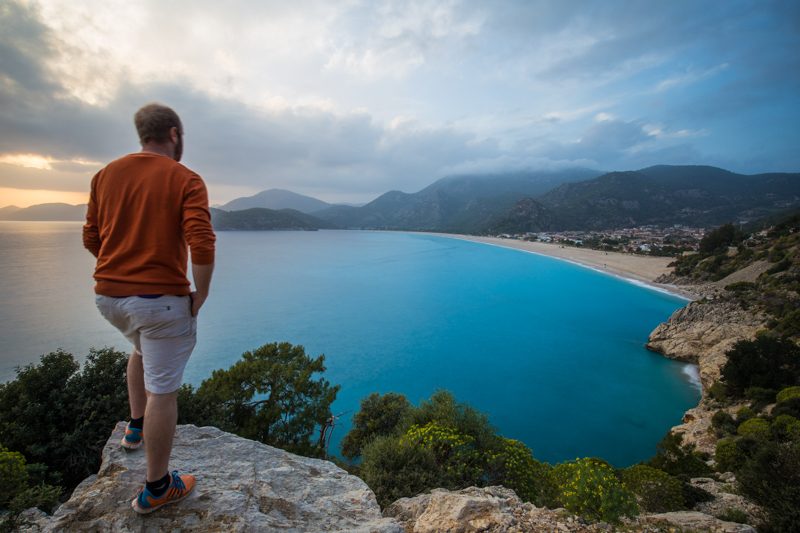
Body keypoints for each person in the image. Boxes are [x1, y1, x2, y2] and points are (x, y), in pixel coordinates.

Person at [82, 103, 215, 514]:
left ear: (143, 134)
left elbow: (91, 236)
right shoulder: (185, 179)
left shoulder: (105, 176)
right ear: (174, 134)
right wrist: (201, 293)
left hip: (110, 299)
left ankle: (134, 428)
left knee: (140, 348)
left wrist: (121, 269)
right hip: (160, 303)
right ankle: (157, 488)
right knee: (164, 391)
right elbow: (202, 241)